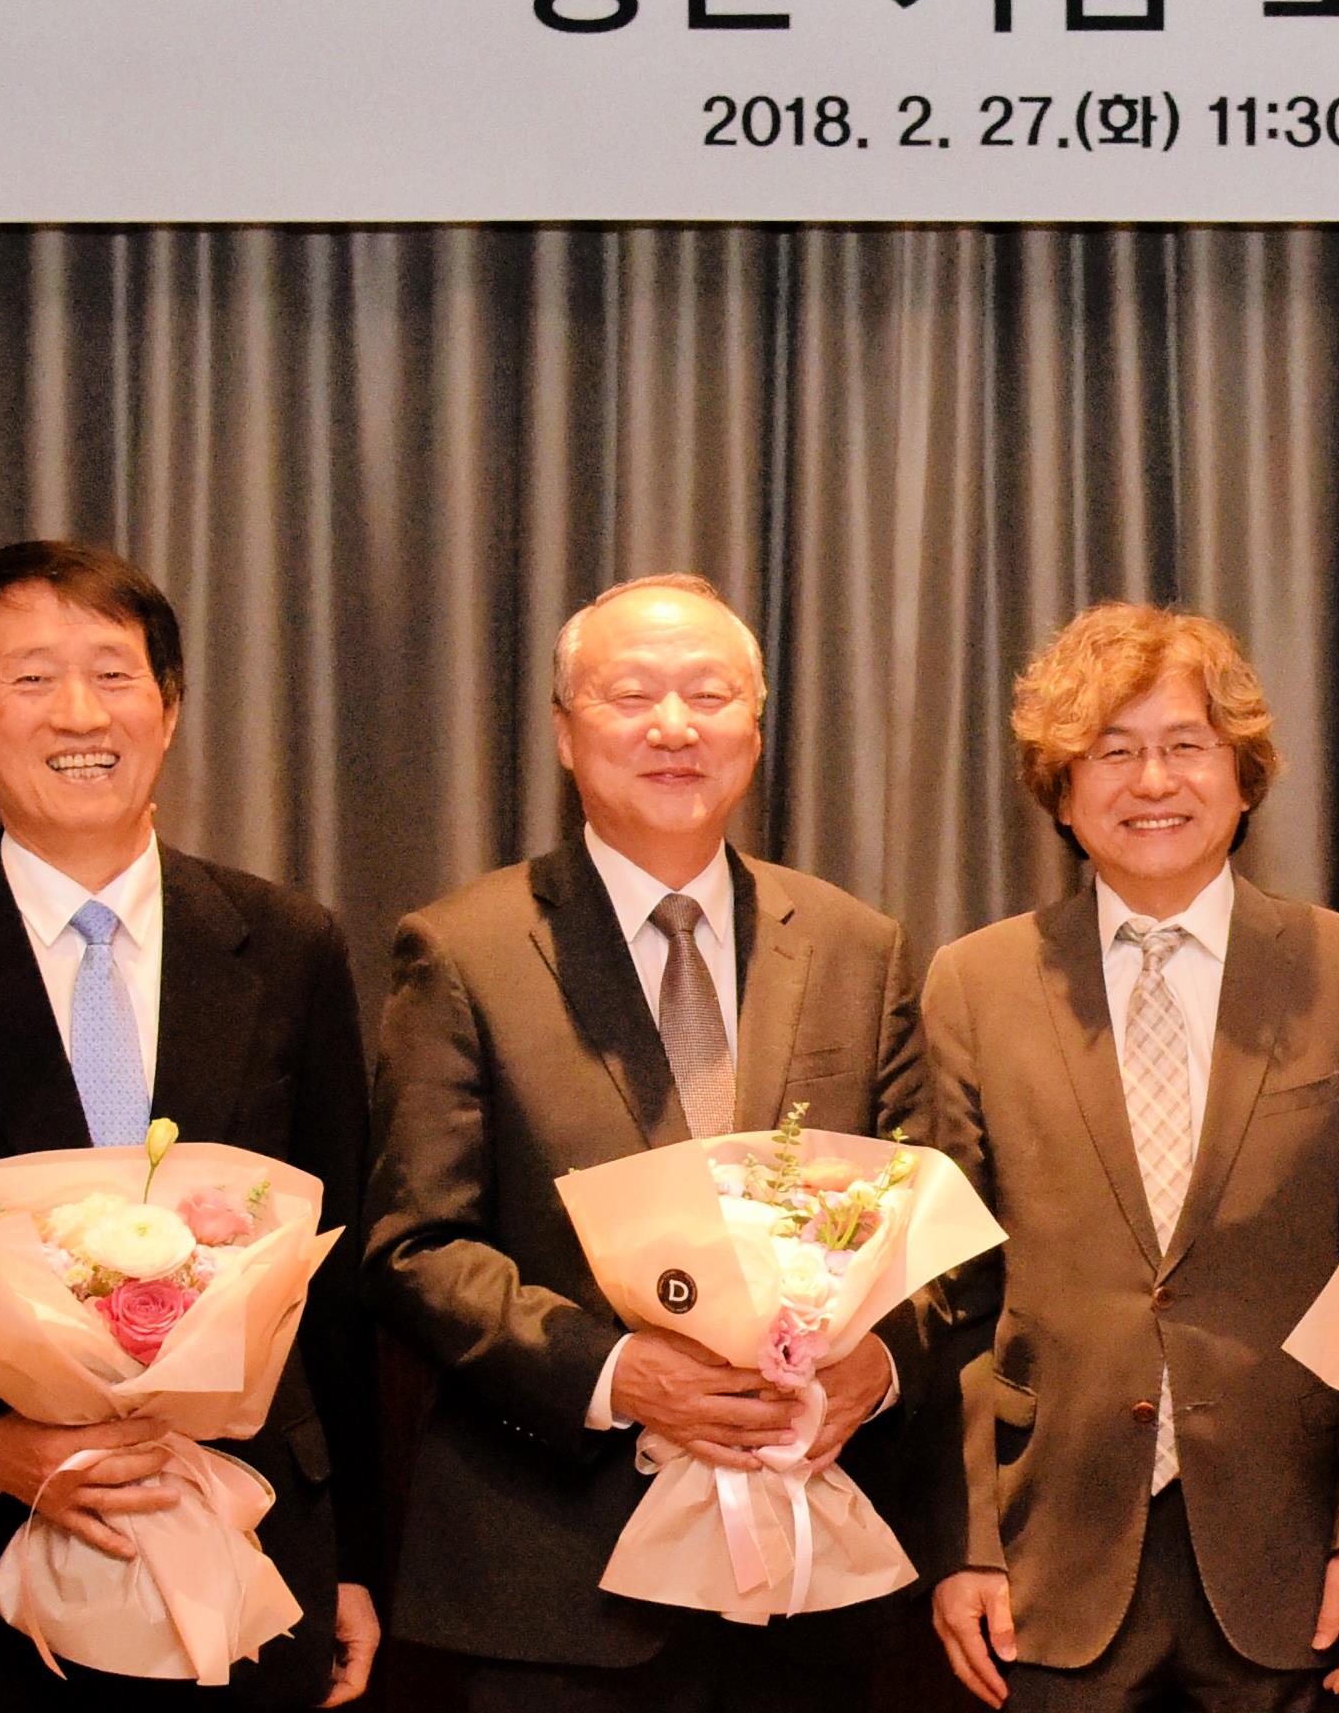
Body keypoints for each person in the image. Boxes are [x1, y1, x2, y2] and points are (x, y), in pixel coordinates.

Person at [0, 540, 381, 1708]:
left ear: (170, 707)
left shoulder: (289, 944)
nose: (81, 713)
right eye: (33, 678)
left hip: (251, 1553)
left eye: (113, 672)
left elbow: (335, 1279)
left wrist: (357, 1556)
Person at [365, 572, 924, 1713]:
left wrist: (879, 1365)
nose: (674, 727)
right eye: (631, 696)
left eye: (709, 695)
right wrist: (620, 1375)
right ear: (566, 733)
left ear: (754, 729)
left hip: (808, 1589)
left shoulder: (856, 948)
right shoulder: (464, 949)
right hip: (555, 1586)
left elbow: (932, 1219)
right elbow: (416, 1246)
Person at [916, 602, 1339, 1713]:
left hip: (1289, 1556)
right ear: (1061, 792)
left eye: (1186, 744)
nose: (1152, 780)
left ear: (1242, 776)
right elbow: (947, 1295)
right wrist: (964, 1541)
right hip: (1045, 1553)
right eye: (1111, 751)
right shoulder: (975, 983)